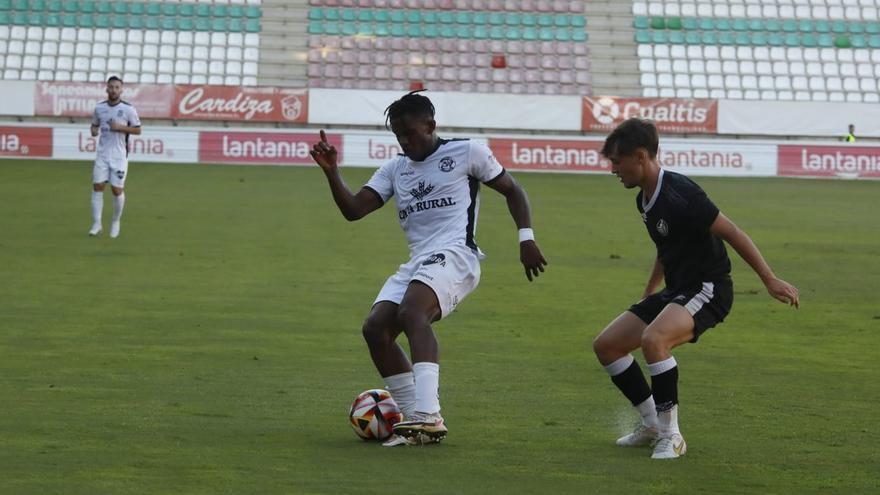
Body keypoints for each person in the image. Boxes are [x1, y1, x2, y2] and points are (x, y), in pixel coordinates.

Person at [309, 90, 547, 446]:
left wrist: (526, 238)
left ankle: (428, 414)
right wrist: (332, 173)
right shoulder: (395, 168)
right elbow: (355, 210)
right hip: (420, 260)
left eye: (409, 132)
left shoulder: (467, 152)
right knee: (375, 329)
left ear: (431, 125)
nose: (404, 141)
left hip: (457, 255)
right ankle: (414, 425)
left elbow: (513, 190)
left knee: (412, 312)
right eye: (397, 135)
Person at [592, 118, 799, 459]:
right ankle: (652, 425)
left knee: (653, 340)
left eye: (617, 161)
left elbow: (732, 232)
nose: (613, 169)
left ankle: (672, 436)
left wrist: (769, 279)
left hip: (710, 288)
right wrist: (649, 290)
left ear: (640, 156)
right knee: (608, 346)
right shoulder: (644, 199)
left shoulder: (681, 193)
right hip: (678, 290)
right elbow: (667, 245)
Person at [88, 76, 141, 238]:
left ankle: (116, 221)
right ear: (106, 89)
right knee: (97, 187)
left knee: (117, 190)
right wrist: (94, 130)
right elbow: (94, 124)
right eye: (111, 87)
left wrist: (120, 127)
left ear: (122, 90)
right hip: (102, 154)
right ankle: (97, 223)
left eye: (117, 87)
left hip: (119, 156)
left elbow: (138, 130)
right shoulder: (99, 108)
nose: (114, 90)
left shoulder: (128, 109)